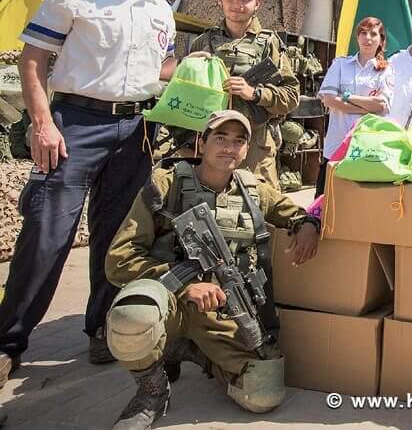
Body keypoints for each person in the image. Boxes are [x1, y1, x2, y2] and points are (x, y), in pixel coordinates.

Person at [0, 0, 176, 387]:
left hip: (136, 127)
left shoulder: (161, 9)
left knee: (118, 237)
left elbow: (162, 66)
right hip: (75, 124)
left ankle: (100, 327)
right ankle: (8, 342)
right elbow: (32, 60)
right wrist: (42, 124)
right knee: (47, 235)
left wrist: (200, 67)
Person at [104, 110, 320, 429]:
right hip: (171, 300)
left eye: (239, 141)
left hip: (221, 312)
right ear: (202, 142)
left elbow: (295, 213)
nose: (230, 148)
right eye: (220, 138)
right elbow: (119, 258)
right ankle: (152, 390)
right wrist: (182, 286)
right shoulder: (167, 183)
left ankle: (193, 351)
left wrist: (308, 224)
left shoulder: (254, 190)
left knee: (263, 395)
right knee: (133, 316)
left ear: (247, 149)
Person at [188, 0, 300, 188]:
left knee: (260, 211)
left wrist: (254, 93)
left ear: (257, 3)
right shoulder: (203, 42)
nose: (237, 4)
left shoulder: (270, 44)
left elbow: (291, 95)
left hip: (255, 147)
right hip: (210, 145)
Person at [314, 17, 395, 196]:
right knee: (325, 202)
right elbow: (328, 99)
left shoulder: (385, 70)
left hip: (367, 149)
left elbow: (381, 104)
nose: (368, 38)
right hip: (337, 146)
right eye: (363, 33)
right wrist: (364, 108)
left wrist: (348, 97)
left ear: (381, 40)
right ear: (357, 38)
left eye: (373, 34)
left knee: (359, 203)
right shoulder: (340, 65)